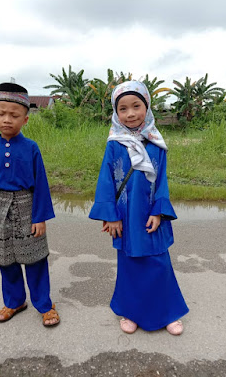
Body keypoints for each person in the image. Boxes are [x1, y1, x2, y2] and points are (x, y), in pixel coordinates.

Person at [89, 80, 188, 335]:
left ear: (147, 106)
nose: (130, 113)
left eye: (136, 106)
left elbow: (162, 179)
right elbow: (106, 180)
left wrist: (158, 211)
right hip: (125, 216)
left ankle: (167, 313)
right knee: (130, 264)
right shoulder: (114, 143)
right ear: (116, 112)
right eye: (123, 108)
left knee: (159, 263)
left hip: (152, 214)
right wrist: (110, 216)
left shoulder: (157, 143)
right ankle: (131, 312)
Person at [0, 82, 60, 327]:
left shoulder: (31, 148)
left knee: (35, 258)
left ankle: (44, 305)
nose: (7, 120)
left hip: (27, 205)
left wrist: (40, 217)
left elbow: (42, 185)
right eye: (1, 114)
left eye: (14, 115)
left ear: (25, 119)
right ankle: (14, 301)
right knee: (6, 259)